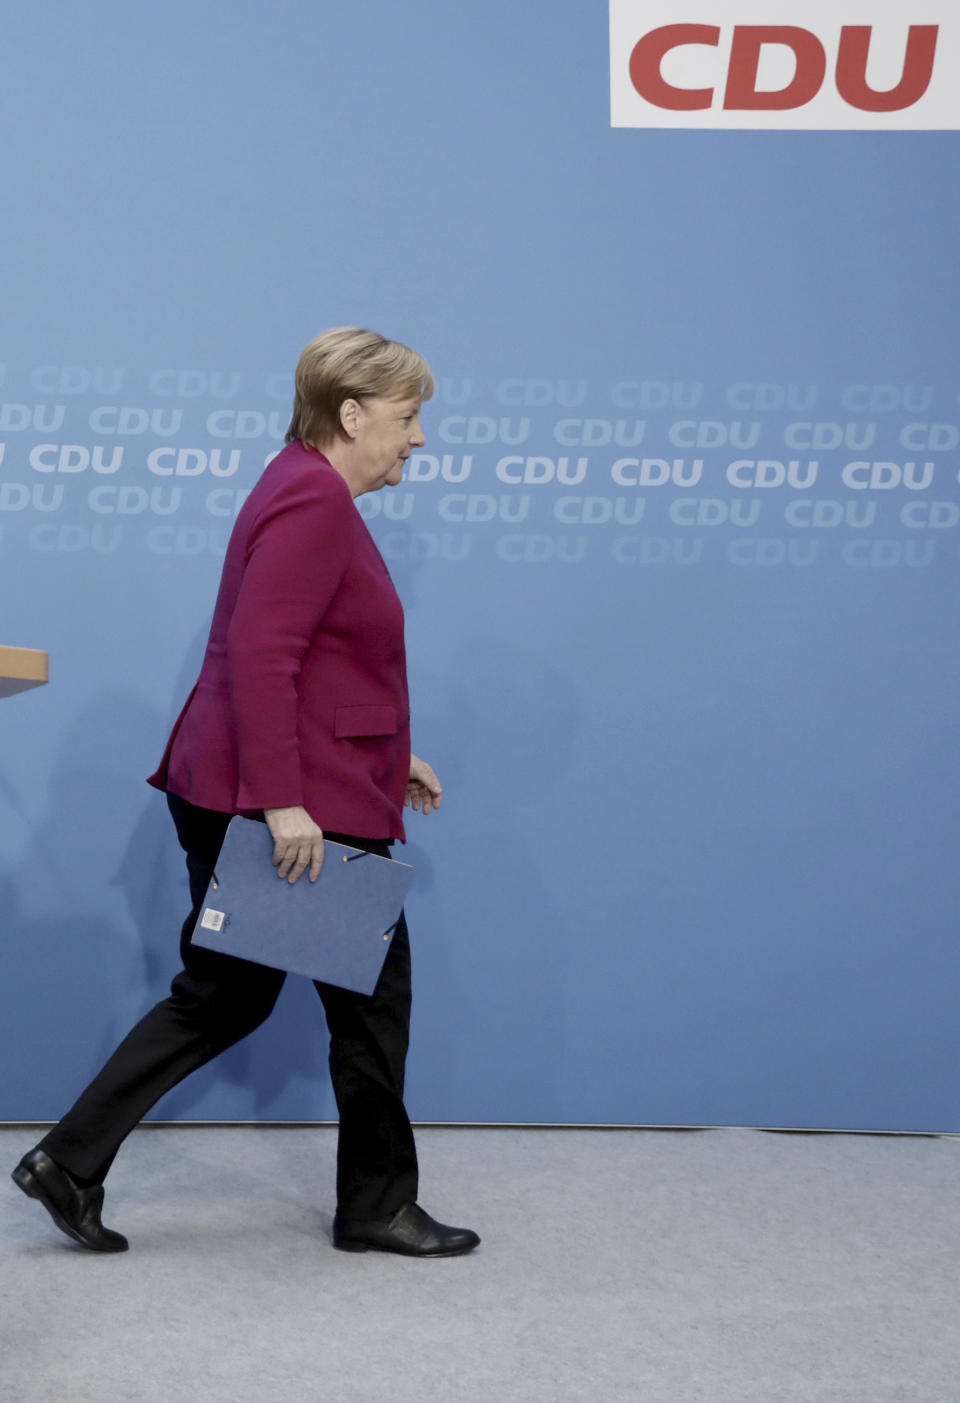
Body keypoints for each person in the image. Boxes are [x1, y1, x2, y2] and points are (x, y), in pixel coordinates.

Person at [12, 327, 479, 1259]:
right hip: (287, 801)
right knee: (371, 1004)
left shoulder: (302, 485)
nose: (419, 438)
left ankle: (70, 1161)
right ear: (351, 414)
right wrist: (282, 801)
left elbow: (314, 663)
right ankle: (378, 1204)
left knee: (226, 995)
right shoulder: (312, 501)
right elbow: (264, 656)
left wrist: (394, 757)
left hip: (280, 784)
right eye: (408, 416)